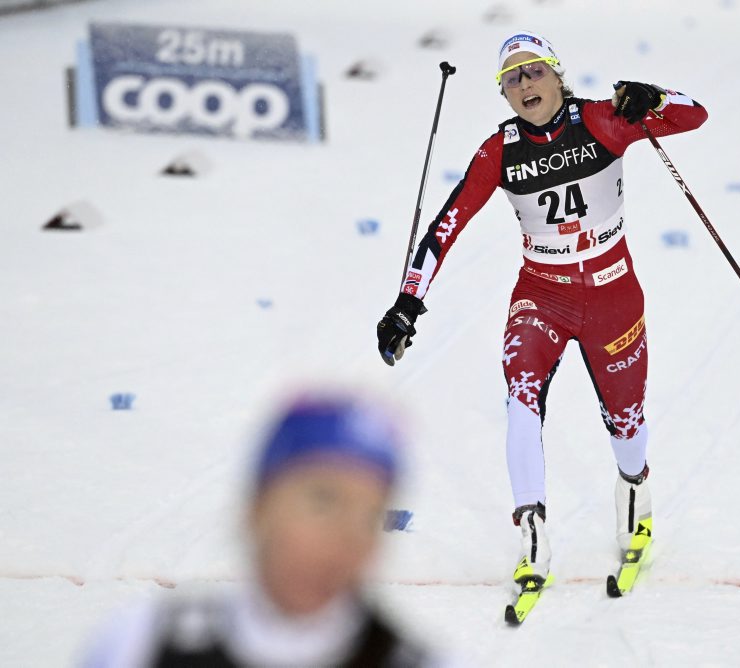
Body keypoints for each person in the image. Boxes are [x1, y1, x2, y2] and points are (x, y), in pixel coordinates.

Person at [376, 31, 707, 588]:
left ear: (558, 76)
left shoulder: (604, 119)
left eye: (534, 72)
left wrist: (652, 97)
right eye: (511, 79)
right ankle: (533, 539)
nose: (525, 84)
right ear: (503, 95)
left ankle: (635, 501)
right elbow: (445, 227)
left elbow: (694, 115)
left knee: (626, 420)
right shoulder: (500, 150)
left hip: (612, 292)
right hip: (542, 296)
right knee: (521, 397)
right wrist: (408, 300)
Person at [83, 395, 436, 667]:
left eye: (369, 516)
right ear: (258, 506)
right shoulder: (141, 647)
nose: (346, 539)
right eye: (323, 501)